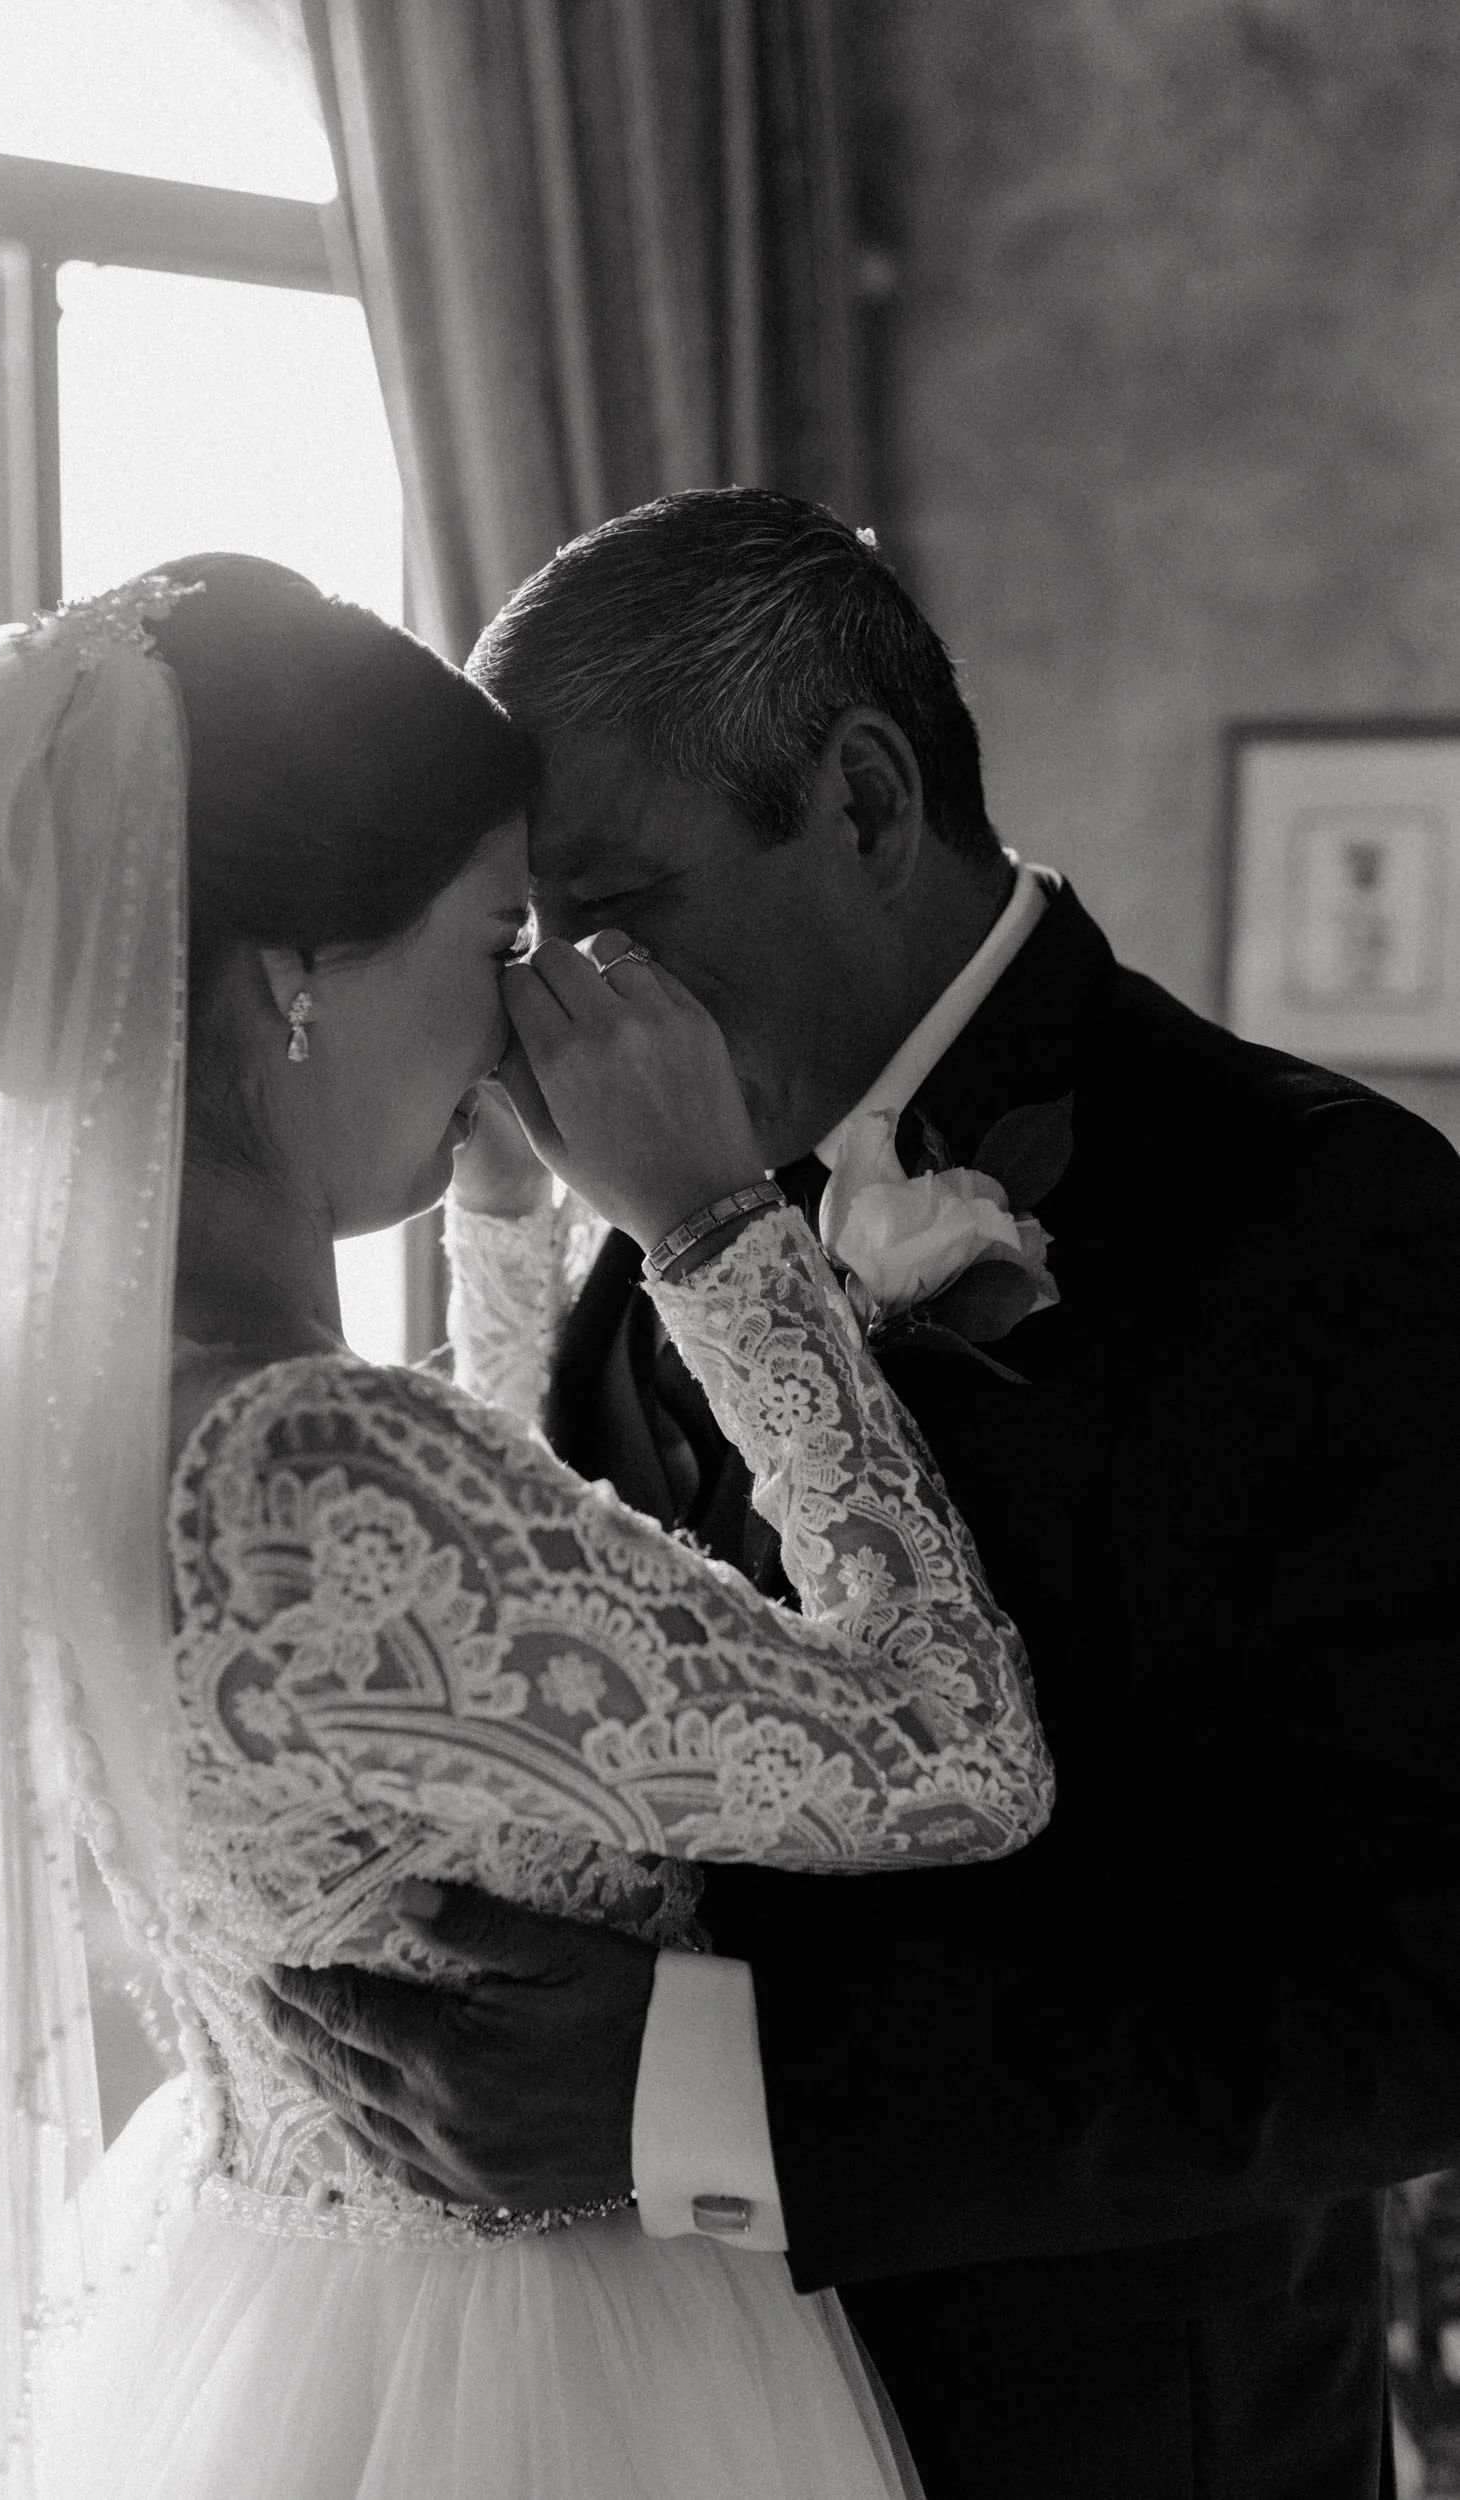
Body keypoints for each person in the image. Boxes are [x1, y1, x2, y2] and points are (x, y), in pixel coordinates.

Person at [0, 551, 1055, 2499]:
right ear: (302, 972)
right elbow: (956, 1749)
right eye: (494, 935)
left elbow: (437, 1681)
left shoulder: (66, 1401)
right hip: (550, 2376)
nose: (524, 1017)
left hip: (283, 2312)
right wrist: (723, 1240)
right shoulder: (310, 1456)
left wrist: (501, 1235)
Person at [260, 491, 1460, 2500]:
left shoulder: (1333, 1222)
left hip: (1112, 2441)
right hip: (660, 2413)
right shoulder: (649, 1212)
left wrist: (703, 2094)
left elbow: (1417, 1986)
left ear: (869, 796)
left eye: (615, 910)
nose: (561, 1021)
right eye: (530, 945)